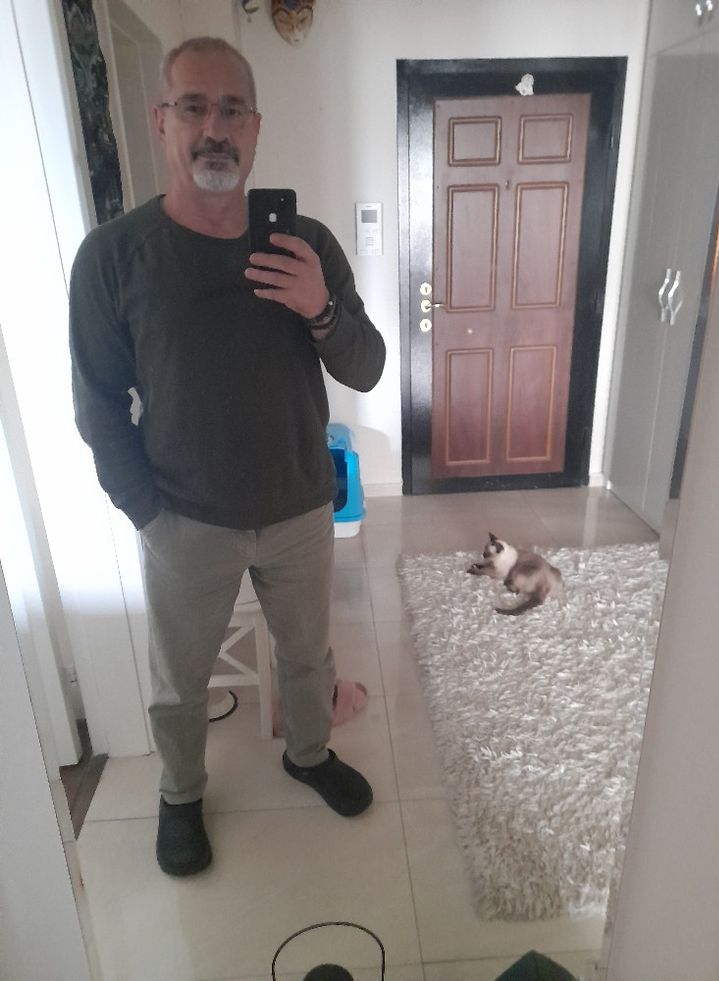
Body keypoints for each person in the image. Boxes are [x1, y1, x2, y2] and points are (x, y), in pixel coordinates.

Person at [69, 36, 385, 877]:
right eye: (194, 107)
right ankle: (180, 793)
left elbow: (367, 366)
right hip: (184, 517)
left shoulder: (307, 243)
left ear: (255, 127)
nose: (215, 127)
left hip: (300, 506)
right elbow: (97, 400)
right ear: (162, 121)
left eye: (232, 109)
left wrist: (320, 308)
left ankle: (308, 754)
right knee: (180, 680)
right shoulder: (114, 256)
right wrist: (145, 511)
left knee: (309, 656)